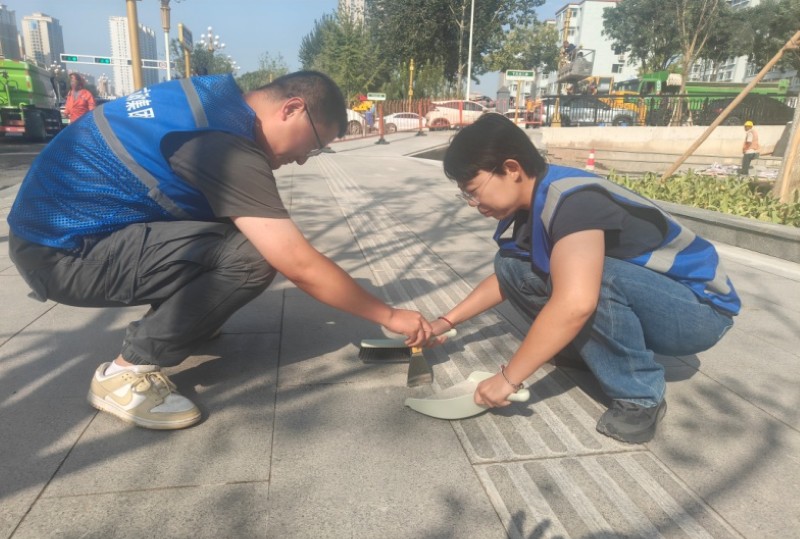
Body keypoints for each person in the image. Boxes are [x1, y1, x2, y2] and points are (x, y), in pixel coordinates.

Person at [7, 71, 432, 430]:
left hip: (59, 235)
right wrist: (389, 315)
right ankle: (126, 372)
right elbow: (297, 263)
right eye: (315, 144)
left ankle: (186, 317)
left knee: (239, 228)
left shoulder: (213, 101)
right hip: (63, 255)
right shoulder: (224, 144)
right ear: (292, 109)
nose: (305, 159)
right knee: (254, 256)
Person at [429, 113, 739, 444]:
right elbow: (505, 281)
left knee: (592, 278)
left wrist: (508, 379)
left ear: (511, 169)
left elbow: (576, 302)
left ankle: (639, 394)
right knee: (510, 265)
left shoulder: (573, 201)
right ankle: (587, 351)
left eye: (474, 191)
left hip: (698, 311)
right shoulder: (531, 205)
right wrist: (444, 322)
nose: (473, 204)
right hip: (656, 299)